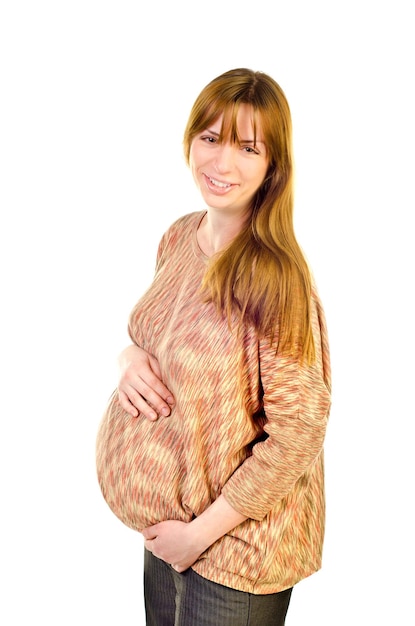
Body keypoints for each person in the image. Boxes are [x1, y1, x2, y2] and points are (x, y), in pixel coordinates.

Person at [96, 67, 332, 626]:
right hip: (170, 536)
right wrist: (129, 358)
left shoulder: (273, 279)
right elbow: (160, 332)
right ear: (190, 141)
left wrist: (196, 536)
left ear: (273, 165)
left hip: (231, 554)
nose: (221, 164)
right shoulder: (180, 235)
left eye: (247, 148)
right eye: (210, 139)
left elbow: (299, 431)